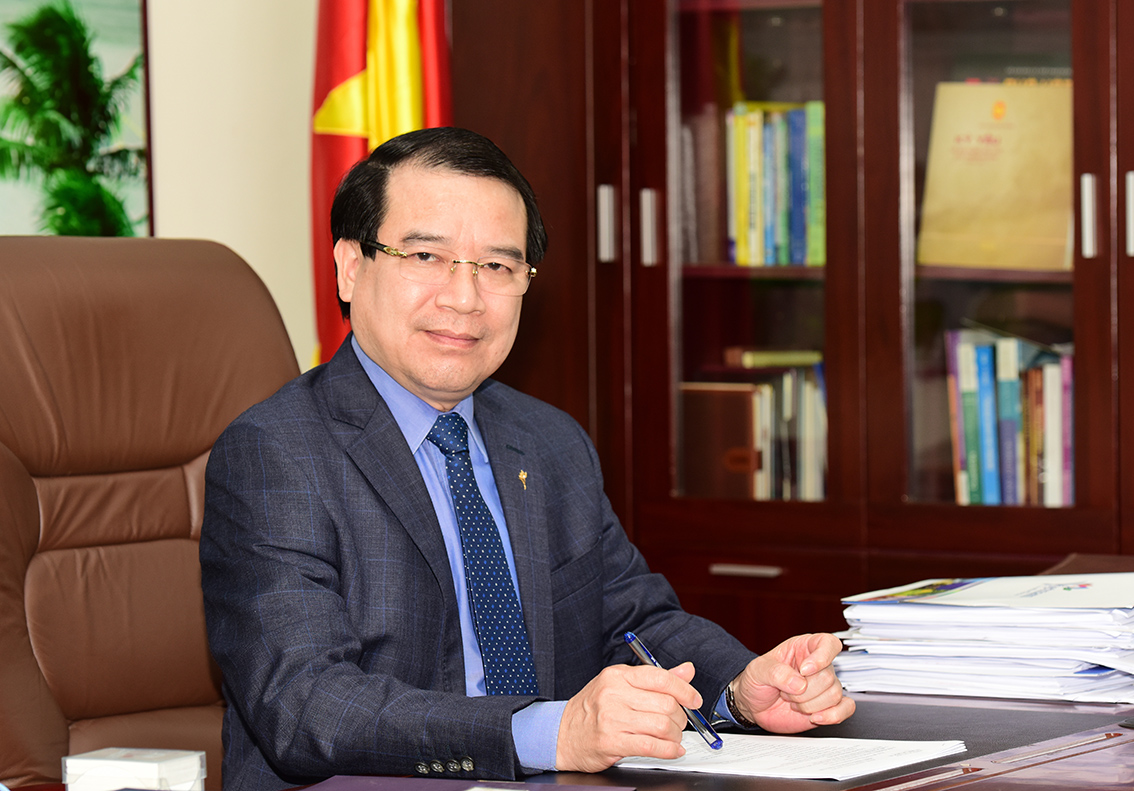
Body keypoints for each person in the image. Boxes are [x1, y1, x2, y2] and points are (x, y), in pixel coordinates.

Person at [199, 126, 854, 791]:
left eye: (497, 267)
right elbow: (306, 704)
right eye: (426, 255)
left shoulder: (548, 440)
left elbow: (634, 623)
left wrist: (739, 688)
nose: (464, 297)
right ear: (350, 266)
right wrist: (548, 732)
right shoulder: (276, 453)